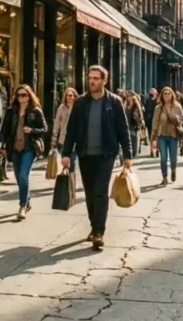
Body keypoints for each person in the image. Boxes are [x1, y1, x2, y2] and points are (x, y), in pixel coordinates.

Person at [61, 66, 132, 250]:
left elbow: (123, 129)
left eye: (96, 78)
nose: (92, 81)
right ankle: (94, 227)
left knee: (100, 191)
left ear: (104, 80)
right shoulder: (80, 102)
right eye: (90, 78)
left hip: (106, 154)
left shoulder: (114, 102)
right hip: (85, 154)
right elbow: (72, 130)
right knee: (90, 193)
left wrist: (127, 155)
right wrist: (66, 153)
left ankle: (99, 232)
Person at [0, 85, 48, 221]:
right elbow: (4, 130)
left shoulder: (35, 111)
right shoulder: (11, 112)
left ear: (29, 96)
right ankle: (27, 200)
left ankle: (22, 206)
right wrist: (1, 143)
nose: (21, 98)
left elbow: (44, 129)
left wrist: (32, 130)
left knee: (22, 174)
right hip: (14, 148)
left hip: (29, 148)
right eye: (19, 95)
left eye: (24, 95)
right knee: (19, 177)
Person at [151, 86, 183, 185]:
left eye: (168, 93)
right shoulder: (158, 108)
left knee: (173, 157)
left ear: (172, 95)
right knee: (163, 158)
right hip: (161, 135)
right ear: (162, 95)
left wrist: (177, 119)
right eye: (165, 93)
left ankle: (173, 170)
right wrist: (153, 138)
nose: (166, 95)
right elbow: (155, 123)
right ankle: (164, 177)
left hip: (173, 135)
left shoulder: (177, 106)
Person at [124, 92, 146, 158]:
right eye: (128, 96)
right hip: (126, 126)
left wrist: (139, 124)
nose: (129, 97)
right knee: (126, 143)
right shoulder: (125, 105)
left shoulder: (137, 106)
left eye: (130, 96)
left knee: (134, 144)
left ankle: (133, 155)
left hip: (134, 127)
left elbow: (140, 117)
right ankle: (127, 157)